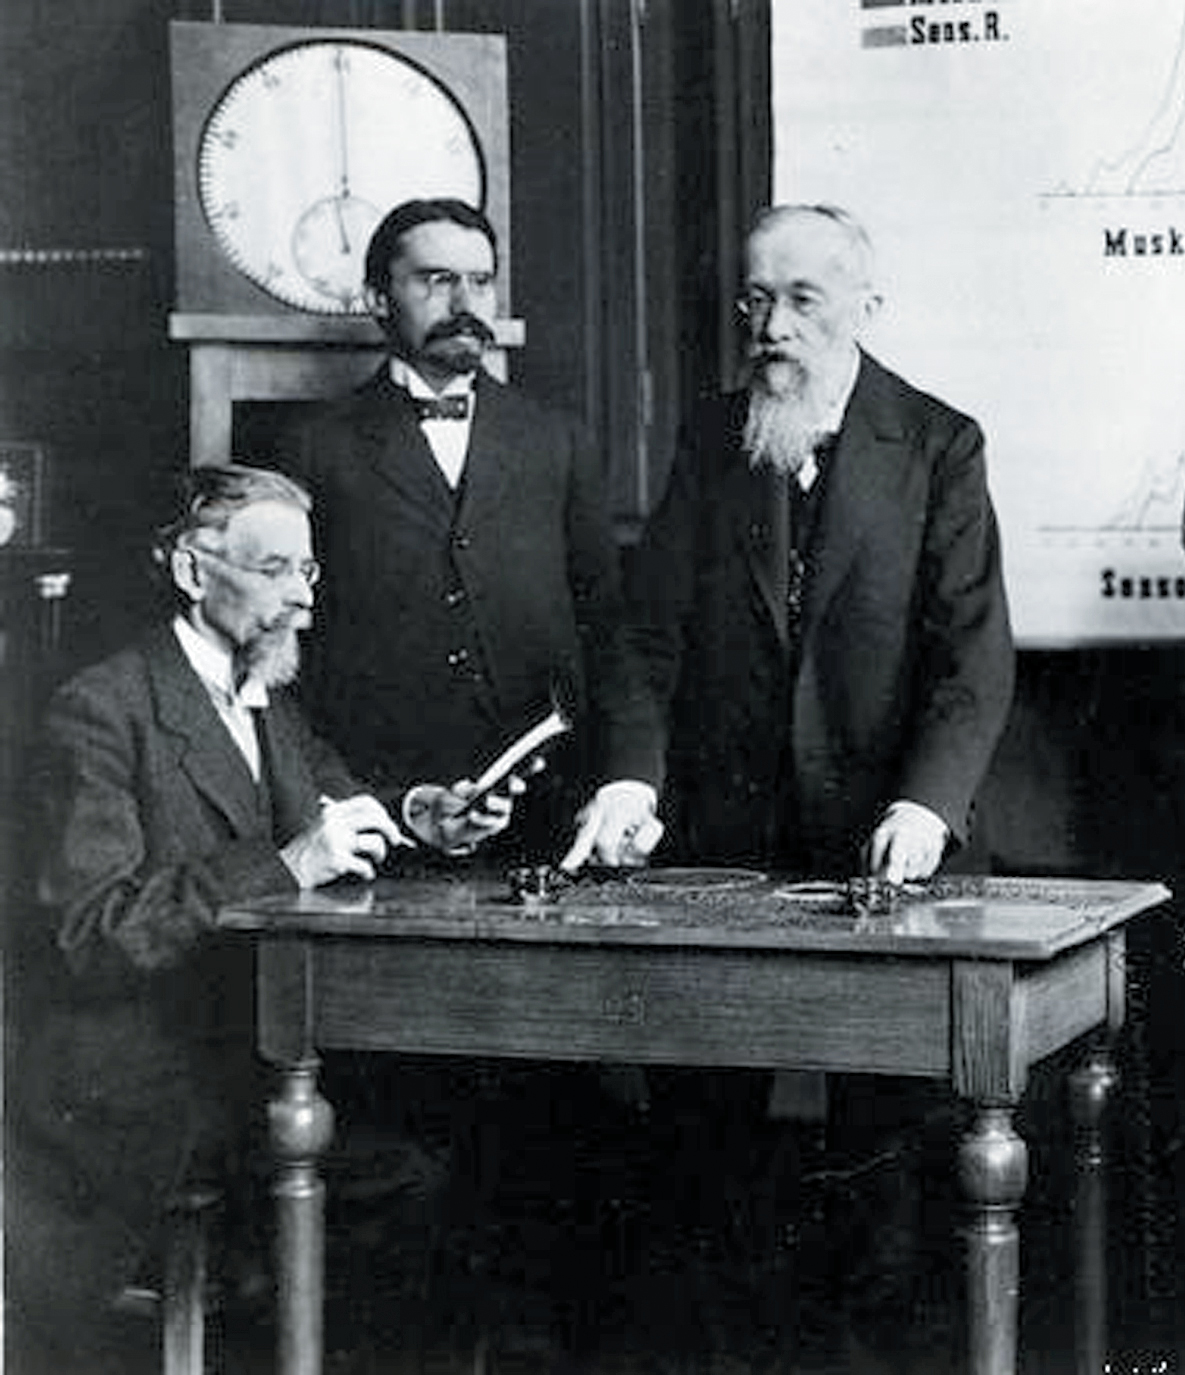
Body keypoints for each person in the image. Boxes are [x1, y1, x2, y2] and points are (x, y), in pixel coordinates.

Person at [7, 462, 508, 1349]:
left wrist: (423, 812)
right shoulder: (102, 709)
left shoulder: (264, 694)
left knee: (460, 1146)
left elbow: (333, 804)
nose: (304, 600)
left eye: (307, 573)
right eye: (275, 571)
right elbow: (94, 930)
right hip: (133, 1093)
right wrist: (282, 863)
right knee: (409, 1173)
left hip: (245, 1064)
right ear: (194, 572)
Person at [271, 197, 663, 872]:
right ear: (377, 298)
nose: (465, 300)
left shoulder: (555, 441)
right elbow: (282, 652)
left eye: (480, 281)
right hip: (384, 823)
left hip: (550, 820)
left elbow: (610, 630)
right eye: (435, 279)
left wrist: (629, 776)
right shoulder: (313, 447)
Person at [627, 203, 1015, 882]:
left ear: (866, 309)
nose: (772, 328)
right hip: (726, 849)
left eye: (802, 300)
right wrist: (628, 782)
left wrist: (925, 807)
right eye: (756, 301)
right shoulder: (710, 436)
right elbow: (648, 639)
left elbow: (971, 656)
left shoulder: (940, 445)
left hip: (889, 847)